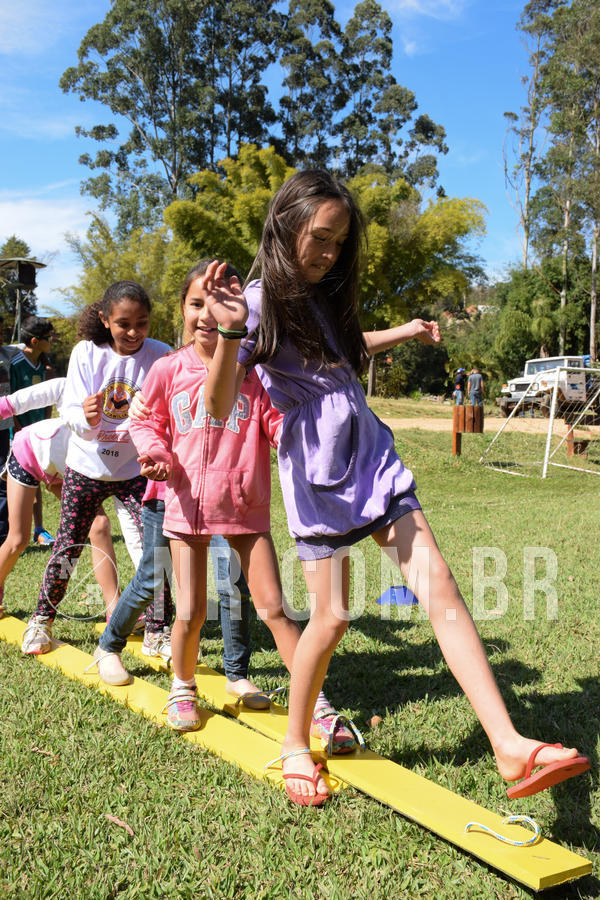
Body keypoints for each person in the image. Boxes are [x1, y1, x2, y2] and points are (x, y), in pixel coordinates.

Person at [202, 169, 588, 806]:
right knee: (332, 617)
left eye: (338, 243)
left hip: (371, 452)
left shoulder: (325, 294)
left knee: (440, 589)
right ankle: (297, 741)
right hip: (319, 473)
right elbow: (218, 406)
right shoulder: (257, 302)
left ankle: (508, 745)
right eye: (320, 237)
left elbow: (345, 354)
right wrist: (231, 331)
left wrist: (407, 330)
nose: (328, 253)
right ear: (285, 224)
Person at [126, 260, 354, 744]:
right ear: (183, 310)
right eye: (196, 303)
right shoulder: (167, 370)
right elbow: (145, 423)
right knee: (188, 610)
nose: (207, 314)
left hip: (246, 508)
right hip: (186, 507)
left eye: (218, 304)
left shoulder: (255, 373)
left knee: (274, 607)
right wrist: (155, 453)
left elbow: (278, 424)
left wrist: (307, 444)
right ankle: (182, 686)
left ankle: (315, 702)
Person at [20, 282, 170, 654]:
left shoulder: (160, 355)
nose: (134, 332)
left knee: (155, 549)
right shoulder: (86, 353)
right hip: (86, 470)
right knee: (68, 547)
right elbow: (69, 408)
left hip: (136, 472)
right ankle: (41, 620)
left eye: (142, 322)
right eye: (123, 323)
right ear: (105, 320)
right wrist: (84, 417)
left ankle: (157, 628)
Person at [0, 377, 142, 621]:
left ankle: (114, 607)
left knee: (99, 526)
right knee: (18, 539)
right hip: (31, 454)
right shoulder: (72, 385)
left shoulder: (131, 402)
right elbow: (16, 402)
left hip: (71, 471)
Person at [10, 315, 57, 546]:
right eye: (49, 338)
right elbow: (10, 401)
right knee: (20, 482)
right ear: (35, 341)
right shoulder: (15, 365)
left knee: (36, 479)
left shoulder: (44, 365)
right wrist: (18, 429)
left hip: (39, 433)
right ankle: (13, 532)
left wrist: (46, 423)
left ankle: (39, 530)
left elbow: (48, 397)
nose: (53, 341)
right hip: (18, 436)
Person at [0, 316, 20, 546]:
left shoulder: (8, 353)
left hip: (3, 427)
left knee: (1, 478)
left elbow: (26, 347)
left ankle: (3, 535)